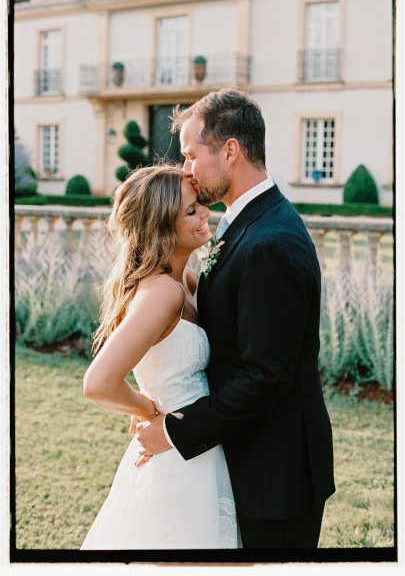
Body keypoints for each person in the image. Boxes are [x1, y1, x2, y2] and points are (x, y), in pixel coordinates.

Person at [135, 89, 336, 549]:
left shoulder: (270, 242)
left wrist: (173, 429)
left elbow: (266, 375)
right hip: (246, 456)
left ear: (230, 150)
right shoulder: (248, 222)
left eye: (190, 155)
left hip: (275, 475)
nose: (185, 169)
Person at [80, 165, 239, 549]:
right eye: (191, 211)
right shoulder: (161, 293)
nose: (205, 213)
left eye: (200, 203)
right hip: (174, 452)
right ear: (162, 228)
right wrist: (146, 409)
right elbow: (99, 383)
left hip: (196, 438)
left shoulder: (185, 280)